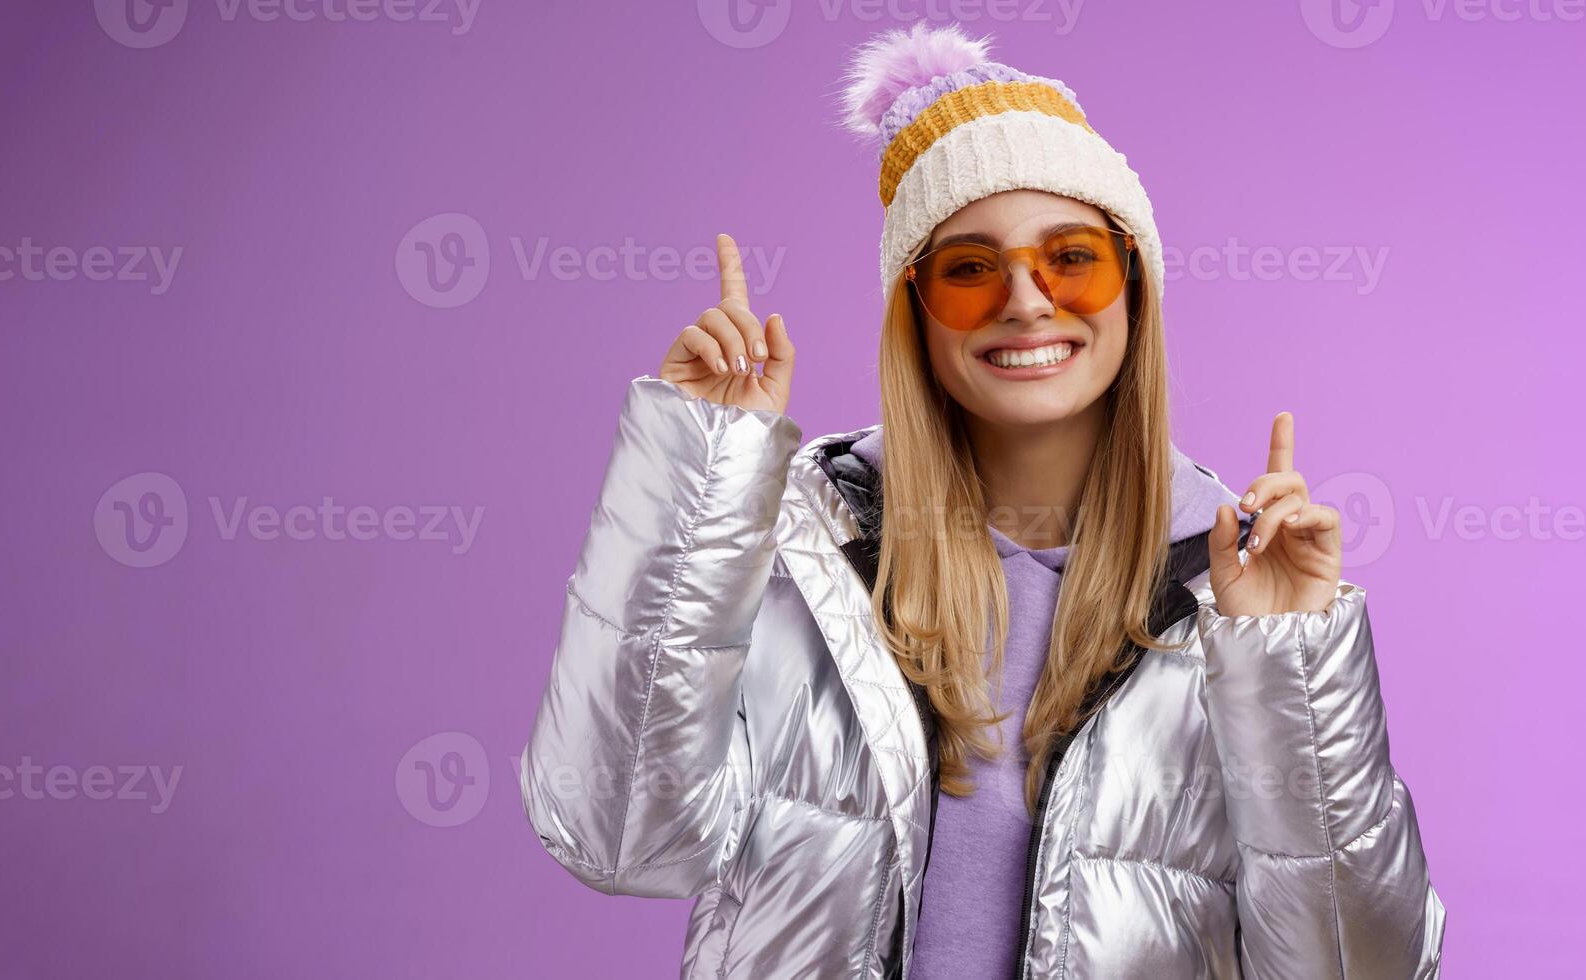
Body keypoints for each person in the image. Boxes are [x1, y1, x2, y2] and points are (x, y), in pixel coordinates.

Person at [518, 24, 1444, 978]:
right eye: (968, 270)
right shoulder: (791, 548)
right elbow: (619, 840)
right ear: (914, 312)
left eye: (1072, 257)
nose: (1027, 300)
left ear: (1133, 287)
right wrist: (700, 477)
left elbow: (1362, 967)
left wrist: (1288, 664)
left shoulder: (1237, 588)